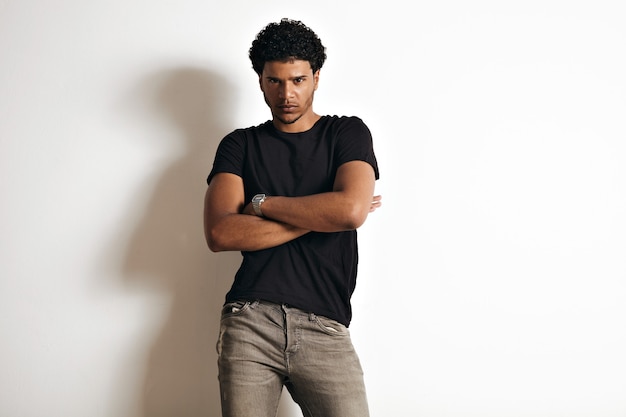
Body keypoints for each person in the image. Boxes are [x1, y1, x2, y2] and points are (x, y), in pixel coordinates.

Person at [203, 18, 381, 417]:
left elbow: (351, 211)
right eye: (275, 81)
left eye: (298, 80)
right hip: (250, 320)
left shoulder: (347, 134)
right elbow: (220, 232)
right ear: (261, 81)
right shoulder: (239, 145)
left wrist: (262, 204)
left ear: (316, 78)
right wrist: (326, 213)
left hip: (325, 325)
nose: (287, 93)